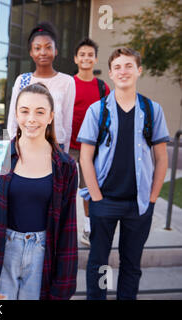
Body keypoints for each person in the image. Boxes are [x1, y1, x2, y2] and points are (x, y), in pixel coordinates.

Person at [78, 48, 169, 300]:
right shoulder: (98, 111)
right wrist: (95, 197)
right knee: (99, 263)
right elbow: (85, 157)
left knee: (131, 265)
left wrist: (152, 198)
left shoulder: (152, 110)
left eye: (129, 66)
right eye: (117, 67)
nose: (123, 71)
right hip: (104, 201)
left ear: (139, 71)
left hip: (138, 204)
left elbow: (161, 157)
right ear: (110, 73)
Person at [0, 83, 78, 300]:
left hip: (42, 254)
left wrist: (64, 280)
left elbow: (68, 226)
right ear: (16, 113)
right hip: (2, 250)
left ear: (51, 116)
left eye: (40, 112)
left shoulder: (65, 165)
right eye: (24, 111)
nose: (31, 119)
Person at [6, 22, 75, 152]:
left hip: (56, 145)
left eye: (48, 47)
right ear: (31, 52)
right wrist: (15, 147)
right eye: (37, 48)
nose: (43, 52)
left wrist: (64, 153)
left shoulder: (67, 82)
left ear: (55, 51)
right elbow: (12, 120)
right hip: (26, 144)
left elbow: (67, 122)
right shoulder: (23, 80)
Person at [70, 38, 110, 246]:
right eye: (82, 54)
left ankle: (87, 228)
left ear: (95, 59)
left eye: (90, 54)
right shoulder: (69, 83)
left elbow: (109, 117)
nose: (86, 58)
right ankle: (64, 229)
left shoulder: (103, 87)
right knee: (64, 189)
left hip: (92, 147)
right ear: (76, 58)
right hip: (68, 145)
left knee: (88, 189)